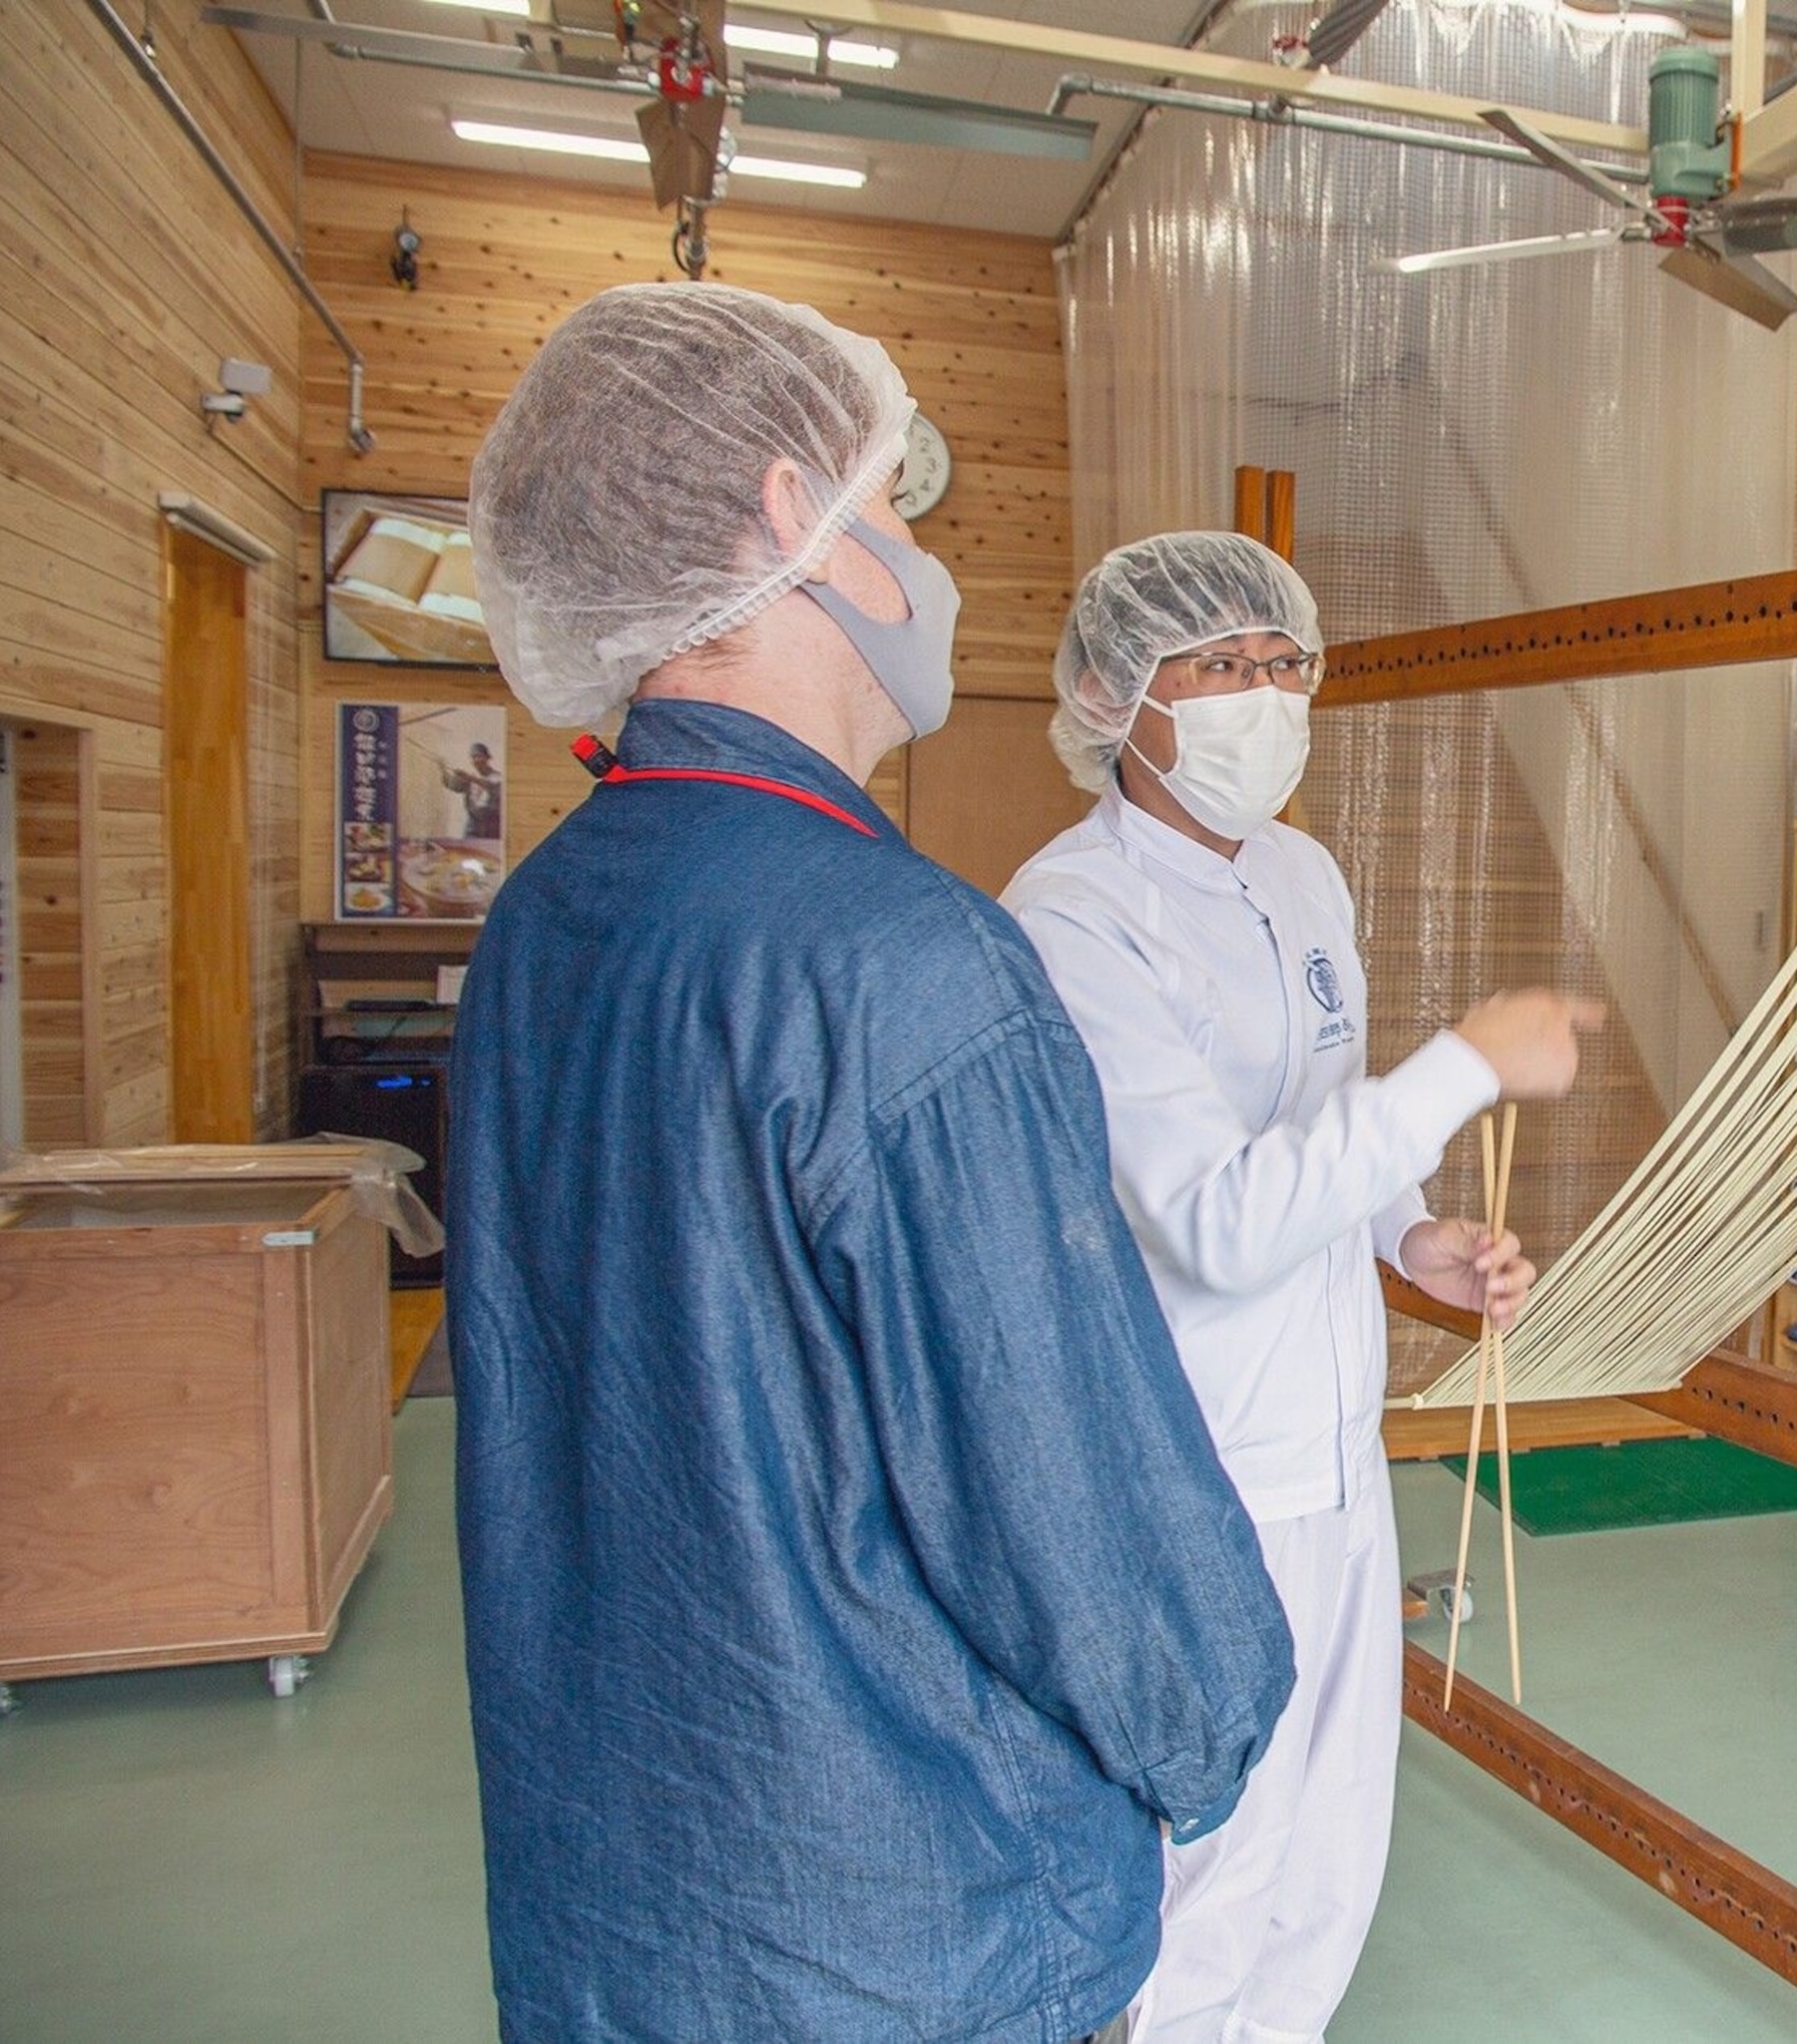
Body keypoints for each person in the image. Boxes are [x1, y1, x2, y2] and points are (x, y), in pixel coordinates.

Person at [451, 284, 1294, 2044]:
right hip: (909, 1920)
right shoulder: (905, 962)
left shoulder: (549, 917)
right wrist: (1214, 1716)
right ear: (784, 516)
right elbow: (1067, 1492)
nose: (913, 554)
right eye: (888, 504)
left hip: (621, 1896)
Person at [1006, 532, 1601, 2044]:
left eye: (1286, 663)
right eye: (1219, 666)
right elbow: (1213, 1218)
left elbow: (1331, 1127)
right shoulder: (1070, 916)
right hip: (1194, 1472)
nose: (1264, 695)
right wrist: (1466, 1063)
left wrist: (1420, 1246)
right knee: (1208, 1868)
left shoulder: (1305, 871)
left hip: (1337, 1455)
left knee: (1333, 1853)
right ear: (1113, 694)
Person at [441, 739, 503, 839]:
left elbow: (492, 787)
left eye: (479, 756)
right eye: (473, 757)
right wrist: (443, 768)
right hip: (473, 825)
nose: (476, 760)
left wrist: (469, 777)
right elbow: (452, 785)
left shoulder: (497, 777)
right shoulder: (468, 778)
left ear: (487, 758)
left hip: (492, 826)